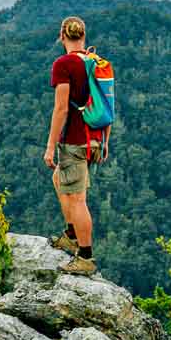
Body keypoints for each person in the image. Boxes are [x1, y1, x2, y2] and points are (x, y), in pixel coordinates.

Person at [43, 16, 98, 275]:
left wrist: (50, 146)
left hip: (74, 139)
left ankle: (85, 256)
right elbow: (106, 103)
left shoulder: (63, 64)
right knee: (59, 179)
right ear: (83, 35)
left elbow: (61, 108)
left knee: (77, 199)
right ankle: (71, 234)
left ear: (62, 35)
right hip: (93, 137)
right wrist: (104, 140)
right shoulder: (95, 62)